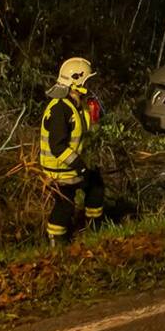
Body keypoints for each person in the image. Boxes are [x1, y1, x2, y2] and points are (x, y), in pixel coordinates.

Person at [39, 57, 104, 246]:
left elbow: (84, 134)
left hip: (71, 166)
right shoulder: (60, 109)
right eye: (87, 82)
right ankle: (55, 241)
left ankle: (95, 230)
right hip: (59, 170)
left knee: (96, 187)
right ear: (76, 83)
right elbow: (57, 146)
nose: (89, 86)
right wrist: (80, 166)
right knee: (65, 205)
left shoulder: (77, 105)